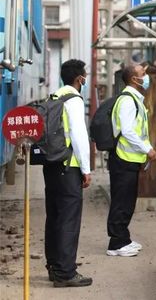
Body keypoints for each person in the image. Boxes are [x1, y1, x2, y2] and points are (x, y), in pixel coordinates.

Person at [44, 59, 93, 287]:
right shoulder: (73, 100)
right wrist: (86, 170)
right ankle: (66, 274)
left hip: (51, 165)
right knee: (68, 220)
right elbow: (79, 137)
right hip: (68, 166)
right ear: (79, 79)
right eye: (84, 76)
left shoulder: (54, 97)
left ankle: (54, 267)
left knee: (54, 216)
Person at [106, 64, 156, 257]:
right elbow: (127, 131)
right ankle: (116, 244)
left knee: (127, 201)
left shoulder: (134, 99)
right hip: (123, 159)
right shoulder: (127, 101)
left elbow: (138, 130)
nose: (146, 77)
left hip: (129, 159)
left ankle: (123, 239)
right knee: (121, 201)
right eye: (143, 74)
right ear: (134, 80)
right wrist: (148, 149)